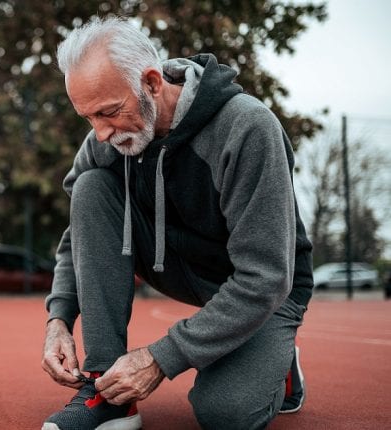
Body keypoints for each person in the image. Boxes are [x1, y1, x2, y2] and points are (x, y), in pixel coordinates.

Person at [41, 17, 313, 430]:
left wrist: (159, 358)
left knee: (226, 413)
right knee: (90, 187)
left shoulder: (247, 128)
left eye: (109, 112)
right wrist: (58, 318)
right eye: (88, 117)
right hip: (179, 267)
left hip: (265, 289)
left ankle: (279, 361)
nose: (99, 134)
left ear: (151, 83)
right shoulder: (110, 137)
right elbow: (80, 230)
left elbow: (267, 277)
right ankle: (104, 389)